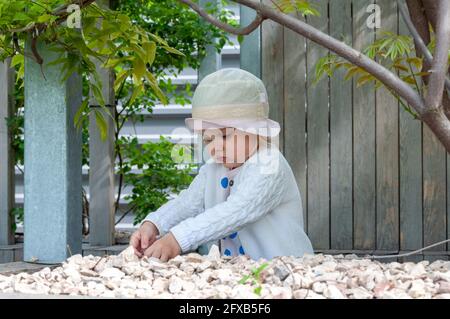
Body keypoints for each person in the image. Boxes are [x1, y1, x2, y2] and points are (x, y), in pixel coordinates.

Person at [130, 68, 314, 261]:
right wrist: (154, 224)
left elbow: (237, 211)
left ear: (257, 130)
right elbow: (188, 203)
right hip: (237, 274)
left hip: (287, 270)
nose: (215, 147)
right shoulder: (214, 168)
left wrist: (178, 239)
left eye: (224, 135)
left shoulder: (269, 165)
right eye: (208, 139)